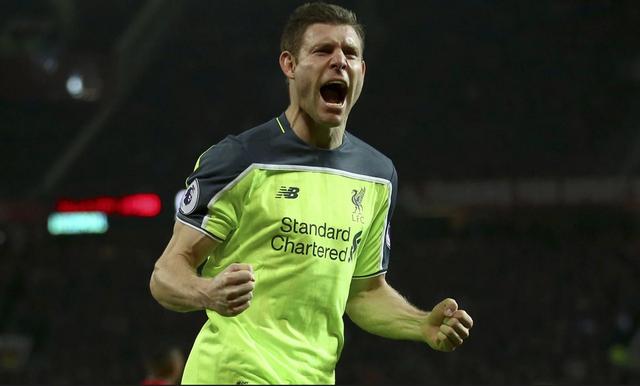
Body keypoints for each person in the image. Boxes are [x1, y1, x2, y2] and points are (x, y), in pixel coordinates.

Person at [149, 2, 473, 384]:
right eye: (323, 51)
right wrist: (208, 292)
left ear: (362, 72)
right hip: (234, 373)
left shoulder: (377, 175)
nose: (339, 61)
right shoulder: (241, 160)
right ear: (289, 65)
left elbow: (364, 293)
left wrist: (421, 324)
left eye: (350, 53)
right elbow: (166, 274)